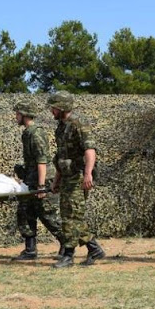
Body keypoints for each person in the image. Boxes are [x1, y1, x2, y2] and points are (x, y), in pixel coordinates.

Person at [48, 91, 105, 268]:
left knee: (72, 215)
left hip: (78, 177)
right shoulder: (61, 128)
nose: (52, 111)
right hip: (66, 177)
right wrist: (56, 180)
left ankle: (68, 255)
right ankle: (94, 249)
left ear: (63, 107)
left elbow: (90, 151)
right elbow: (60, 157)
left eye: (54, 108)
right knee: (69, 215)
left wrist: (87, 174)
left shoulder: (79, 125)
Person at [12, 100, 65, 261]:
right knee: (25, 212)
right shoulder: (27, 133)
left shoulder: (36, 133)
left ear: (24, 115)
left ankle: (66, 245)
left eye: (17, 114)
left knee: (48, 215)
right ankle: (30, 250)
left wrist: (41, 186)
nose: (16, 117)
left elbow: (42, 161)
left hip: (43, 180)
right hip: (31, 179)